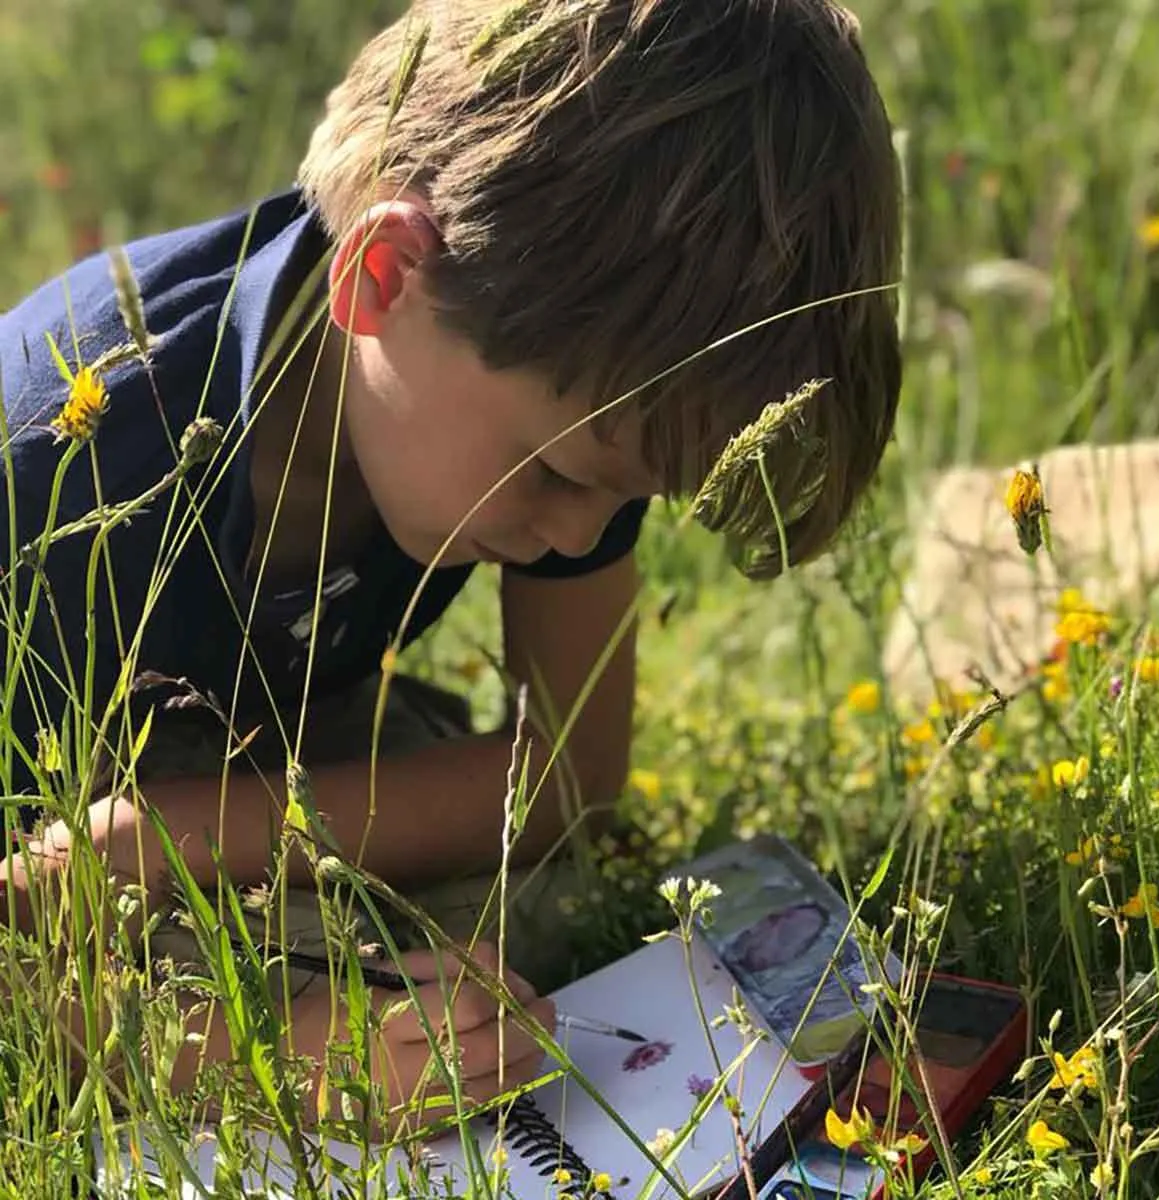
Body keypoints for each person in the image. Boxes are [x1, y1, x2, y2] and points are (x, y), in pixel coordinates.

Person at [0, 0, 901, 1136]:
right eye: (558, 475)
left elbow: (571, 766)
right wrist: (261, 1055)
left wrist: (169, 834)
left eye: (628, 498)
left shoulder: (575, 394)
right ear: (383, 277)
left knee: (510, 929)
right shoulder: (55, 460)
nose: (582, 538)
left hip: (193, 782)